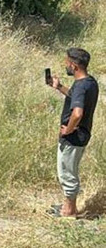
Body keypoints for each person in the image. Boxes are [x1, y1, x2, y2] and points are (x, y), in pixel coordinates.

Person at [49, 48, 99, 218]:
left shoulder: (80, 86)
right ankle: (68, 206)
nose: (66, 66)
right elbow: (74, 96)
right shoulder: (90, 82)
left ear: (74, 65)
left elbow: (77, 113)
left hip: (73, 138)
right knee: (69, 169)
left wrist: (67, 130)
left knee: (67, 172)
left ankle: (69, 211)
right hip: (83, 134)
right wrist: (59, 87)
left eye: (67, 63)